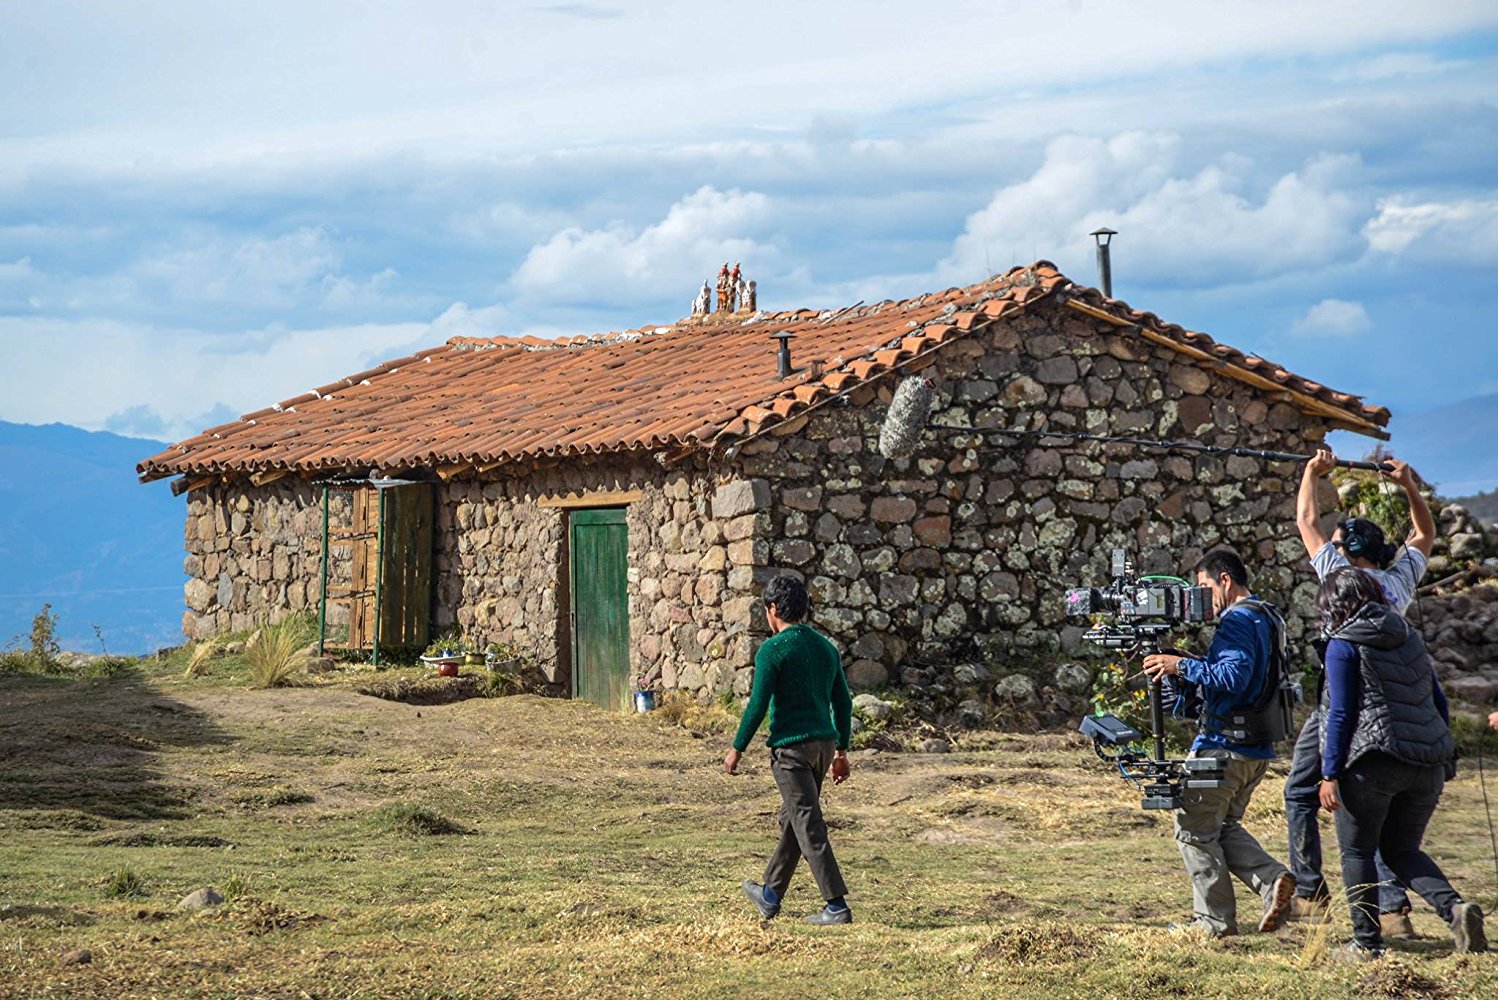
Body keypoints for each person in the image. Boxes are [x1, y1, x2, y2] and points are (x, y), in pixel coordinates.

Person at [1285, 448, 1436, 934]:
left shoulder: (1339, 577)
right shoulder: (1399, 580)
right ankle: (1394, 909)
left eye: (1336, 541)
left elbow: (1306, 519)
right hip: (1395, 703)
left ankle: (1310, 891)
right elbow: (1425, 534)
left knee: (1300, 791)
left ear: (1348, 550)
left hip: (1344, 697)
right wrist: (1409, 485)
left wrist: (1311, 472)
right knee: (1376, 807)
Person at [1314, 567, 1486, 958]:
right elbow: (1437, 700)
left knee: (1357, 851)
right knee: (1401, 849)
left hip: (1374, 761)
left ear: (1335, 605)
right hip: (1427, 762)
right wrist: (1444, 751)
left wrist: (1328, 772)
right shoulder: (1408, 636)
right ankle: (1455, 909)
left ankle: (1366, 943)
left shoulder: (1344, 643)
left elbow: (1340, 712)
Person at [1143, 549, 1297, 938]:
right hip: (1256, 749)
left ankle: (1213, 923)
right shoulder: (1267, 616)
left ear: (1224, 580)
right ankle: (1273, 880)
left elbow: (1232, 677)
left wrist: (1178, 666)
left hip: (1223, 744)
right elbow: (1244, 672)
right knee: (1220, 825)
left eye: (1203, 587)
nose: (1200, 598)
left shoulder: (1237, 621)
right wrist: (1191, 660)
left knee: (1192, 829)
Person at [724, 574, 855, 925]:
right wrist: (841, 752)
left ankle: (836, 905)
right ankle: (770, 894)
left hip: (792, 752)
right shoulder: (826, 648)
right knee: (794, 819)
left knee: (807, 823)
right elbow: (843, 702)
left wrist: (737, 749)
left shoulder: (773, 650)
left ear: (772, 610)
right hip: (823, 749)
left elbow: (757, 705)